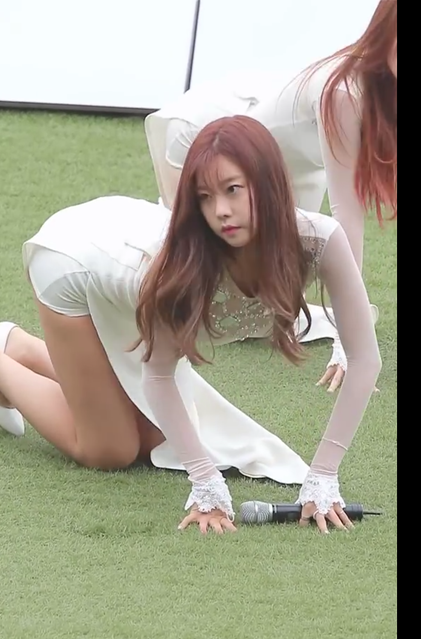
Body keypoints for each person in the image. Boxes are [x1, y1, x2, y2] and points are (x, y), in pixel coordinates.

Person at [0, 116, 381, 535]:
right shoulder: (182, 266)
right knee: (110, 449)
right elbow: (159, 375)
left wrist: (323, 476)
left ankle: (20, 349)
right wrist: (206, 485)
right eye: (205, 197)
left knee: (154, 440)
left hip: (125, 269)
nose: (220, 211)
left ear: (267, 183)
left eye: (233, 189)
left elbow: (365, 360)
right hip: (74, 263)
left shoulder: (320, 240)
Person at [144, 0, 396, 392]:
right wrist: (348, 344)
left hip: (286, 168)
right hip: (212, 141)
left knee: (268, 304)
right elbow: (347, 217)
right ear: (385, 31)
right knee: (185, 271)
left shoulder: (380, 87)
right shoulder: (346, 93)